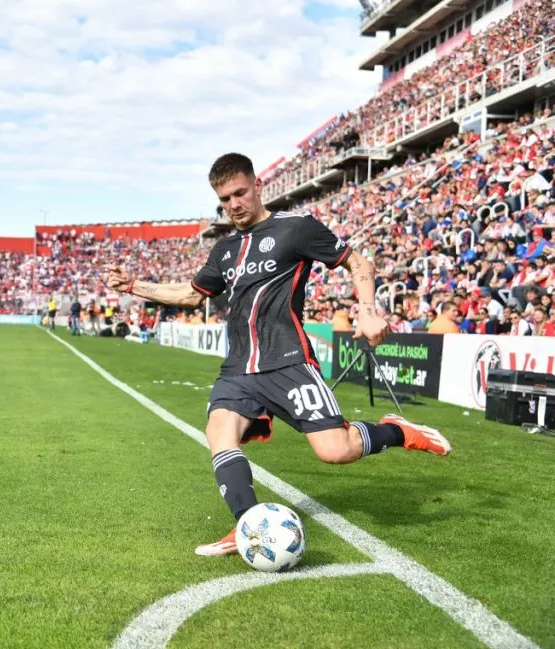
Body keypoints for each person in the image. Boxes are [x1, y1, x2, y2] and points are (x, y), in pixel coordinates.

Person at [106, 153, 452, 558]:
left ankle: (397, 431)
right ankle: (248, 526)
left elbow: (358, 262)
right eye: (224, 199)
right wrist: (134, 286)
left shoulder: (296, 229)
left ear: (257, 186)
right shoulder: (224, 250)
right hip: (238, 369)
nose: (233, 204)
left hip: (288, 361)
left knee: (335, 450)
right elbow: (189, 294)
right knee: (219, 434)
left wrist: (368, 310)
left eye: (239, 193)